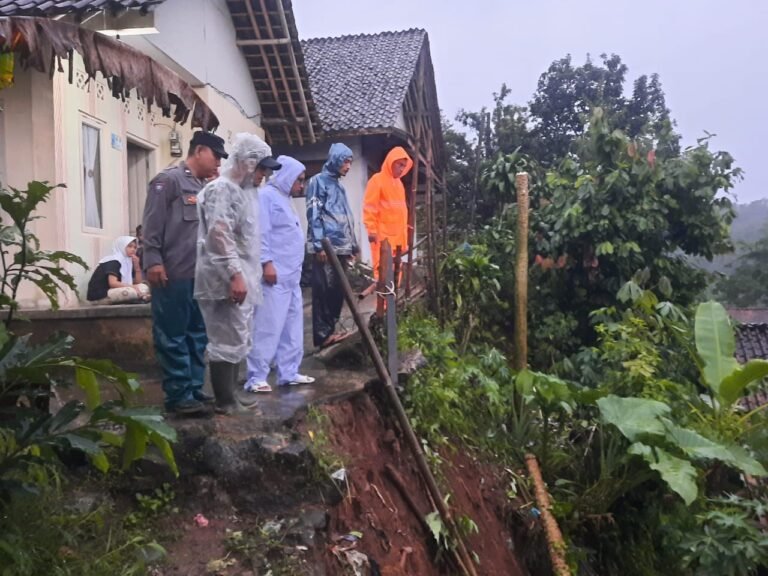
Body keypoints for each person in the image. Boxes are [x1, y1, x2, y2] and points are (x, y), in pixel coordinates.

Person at [195, 132, 282, 414]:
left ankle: (230, 393)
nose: (263, 177)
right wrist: (235, 273)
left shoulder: (242, 192)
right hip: (223, 278)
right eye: (262, 170)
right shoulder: (222, 190)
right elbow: (220, 235)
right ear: (247, 163)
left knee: (237, 336)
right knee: (225, 338)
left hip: (237, 276)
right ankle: (224, 400)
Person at [142, 131, 227, 415]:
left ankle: (192, 389)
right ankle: (178, 396)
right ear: (199, 150)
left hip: (199, 276)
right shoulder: (168, 181)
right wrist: (153, 261)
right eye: (216, 156)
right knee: (173, 335)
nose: (218, 164)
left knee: (196, 335)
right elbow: (152, 226)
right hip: (173, 274)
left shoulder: (204, 187)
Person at [245, 155, 315, 393]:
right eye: (299, 180)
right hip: (275, 276)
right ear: (287, 177)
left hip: (291, 276)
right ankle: (256, 376)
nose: (301, 185)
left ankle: (289, 371)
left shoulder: (284, 199)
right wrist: (266, 263)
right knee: (268, 326)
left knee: (292, 327)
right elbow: (261, 233)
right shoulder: (266, 197)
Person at [305, 143, 359, 349]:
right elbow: (314, 214)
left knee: (338, 291)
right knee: (323, 292)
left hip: (342, 248)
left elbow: (347, 217)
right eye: (346, 161)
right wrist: (318, 245)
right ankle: (322, 335)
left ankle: (331, 330)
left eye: (350, 162)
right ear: (336, 159)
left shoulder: (339, 186)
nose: (348, 166)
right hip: (326, 248)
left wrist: (353, 245)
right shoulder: (317, 182)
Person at [363, 146, 413, 278]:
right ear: (391, 161)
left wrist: (405, 236)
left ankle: (393, 299)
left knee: (396, 276)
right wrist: (371, 230)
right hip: (383, 238)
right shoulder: (377, 180)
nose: (402, 169)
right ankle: (384, 299)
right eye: (399, 164)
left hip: (398, 240)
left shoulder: (399, 185)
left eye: (404, 165)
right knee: (383, 276)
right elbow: (370, 207)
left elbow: (401, 212)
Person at [86, 235, 150, 304]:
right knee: (129, 292)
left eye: (135, 247)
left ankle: (139, 297)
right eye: (130, 246)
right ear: (121, 246)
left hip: (114, 291)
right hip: (100, 295)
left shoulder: (128, 262)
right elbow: (112, 283)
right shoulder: (114, 261)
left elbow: (138, 282)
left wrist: (137, 267)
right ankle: (141, 297)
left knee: (143, 286)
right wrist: (132, 287)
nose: (133, 249)